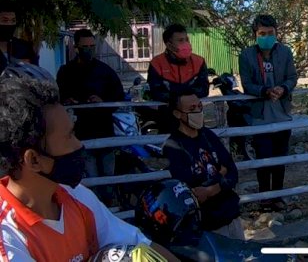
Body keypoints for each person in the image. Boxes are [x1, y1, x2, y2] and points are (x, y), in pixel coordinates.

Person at [0, 63, 177, 261]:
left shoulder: (76, 195)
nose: (79, 145)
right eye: (69, 136)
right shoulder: (7, 238)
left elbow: (141, 245)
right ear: (33, 160)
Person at [162, 90, 243, 239]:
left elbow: (233, 172)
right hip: (207, 227)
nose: (198, 112)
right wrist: (220, 175)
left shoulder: (208, 136)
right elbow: (192, 191)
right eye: (192, 109)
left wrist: (212, 189)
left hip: (232, 217)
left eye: (200, 107)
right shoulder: (173, 147)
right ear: (177, 114)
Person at [57, 28, 125, 205]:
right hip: (80, 134)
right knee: (91, 179)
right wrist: (68, 100)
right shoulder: (66, 72)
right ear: (76, 47)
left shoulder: (105, 71)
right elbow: (58, 97)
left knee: (109, 177)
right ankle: (94, 210)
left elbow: (118, 96)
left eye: (92, 46)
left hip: (104, 131)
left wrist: (102, 101)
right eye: (84, 46)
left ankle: (111, 209)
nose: (88, 49)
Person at [238, 15, 298, 211]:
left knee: (280, 158)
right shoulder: (246, 55)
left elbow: (292, 77)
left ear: (277, 33)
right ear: (255, 35)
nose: (266, 37)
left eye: (270, 33)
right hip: (259, 115)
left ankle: (278, 196)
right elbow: (247, 84)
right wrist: (264, 91)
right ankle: (265, 198)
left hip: (282, 113)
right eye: (262, 34)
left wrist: (284, 88)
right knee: (263, 159)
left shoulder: (285, 52)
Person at [147, 24, 209, 131]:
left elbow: (204, 89)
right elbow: (156, 92)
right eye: (180, 40)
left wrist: (174, 92)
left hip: (195, 117)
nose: (185, 43)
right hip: (167, 117)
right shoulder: (157, 64)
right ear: (169, 44)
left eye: (186, 39)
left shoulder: (199, 62)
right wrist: (185, 94)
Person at [0, 1, 37, 74]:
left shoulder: (24, 48)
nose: (9, 24)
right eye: (5, 20)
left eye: (13, 20)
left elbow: (34, 73)